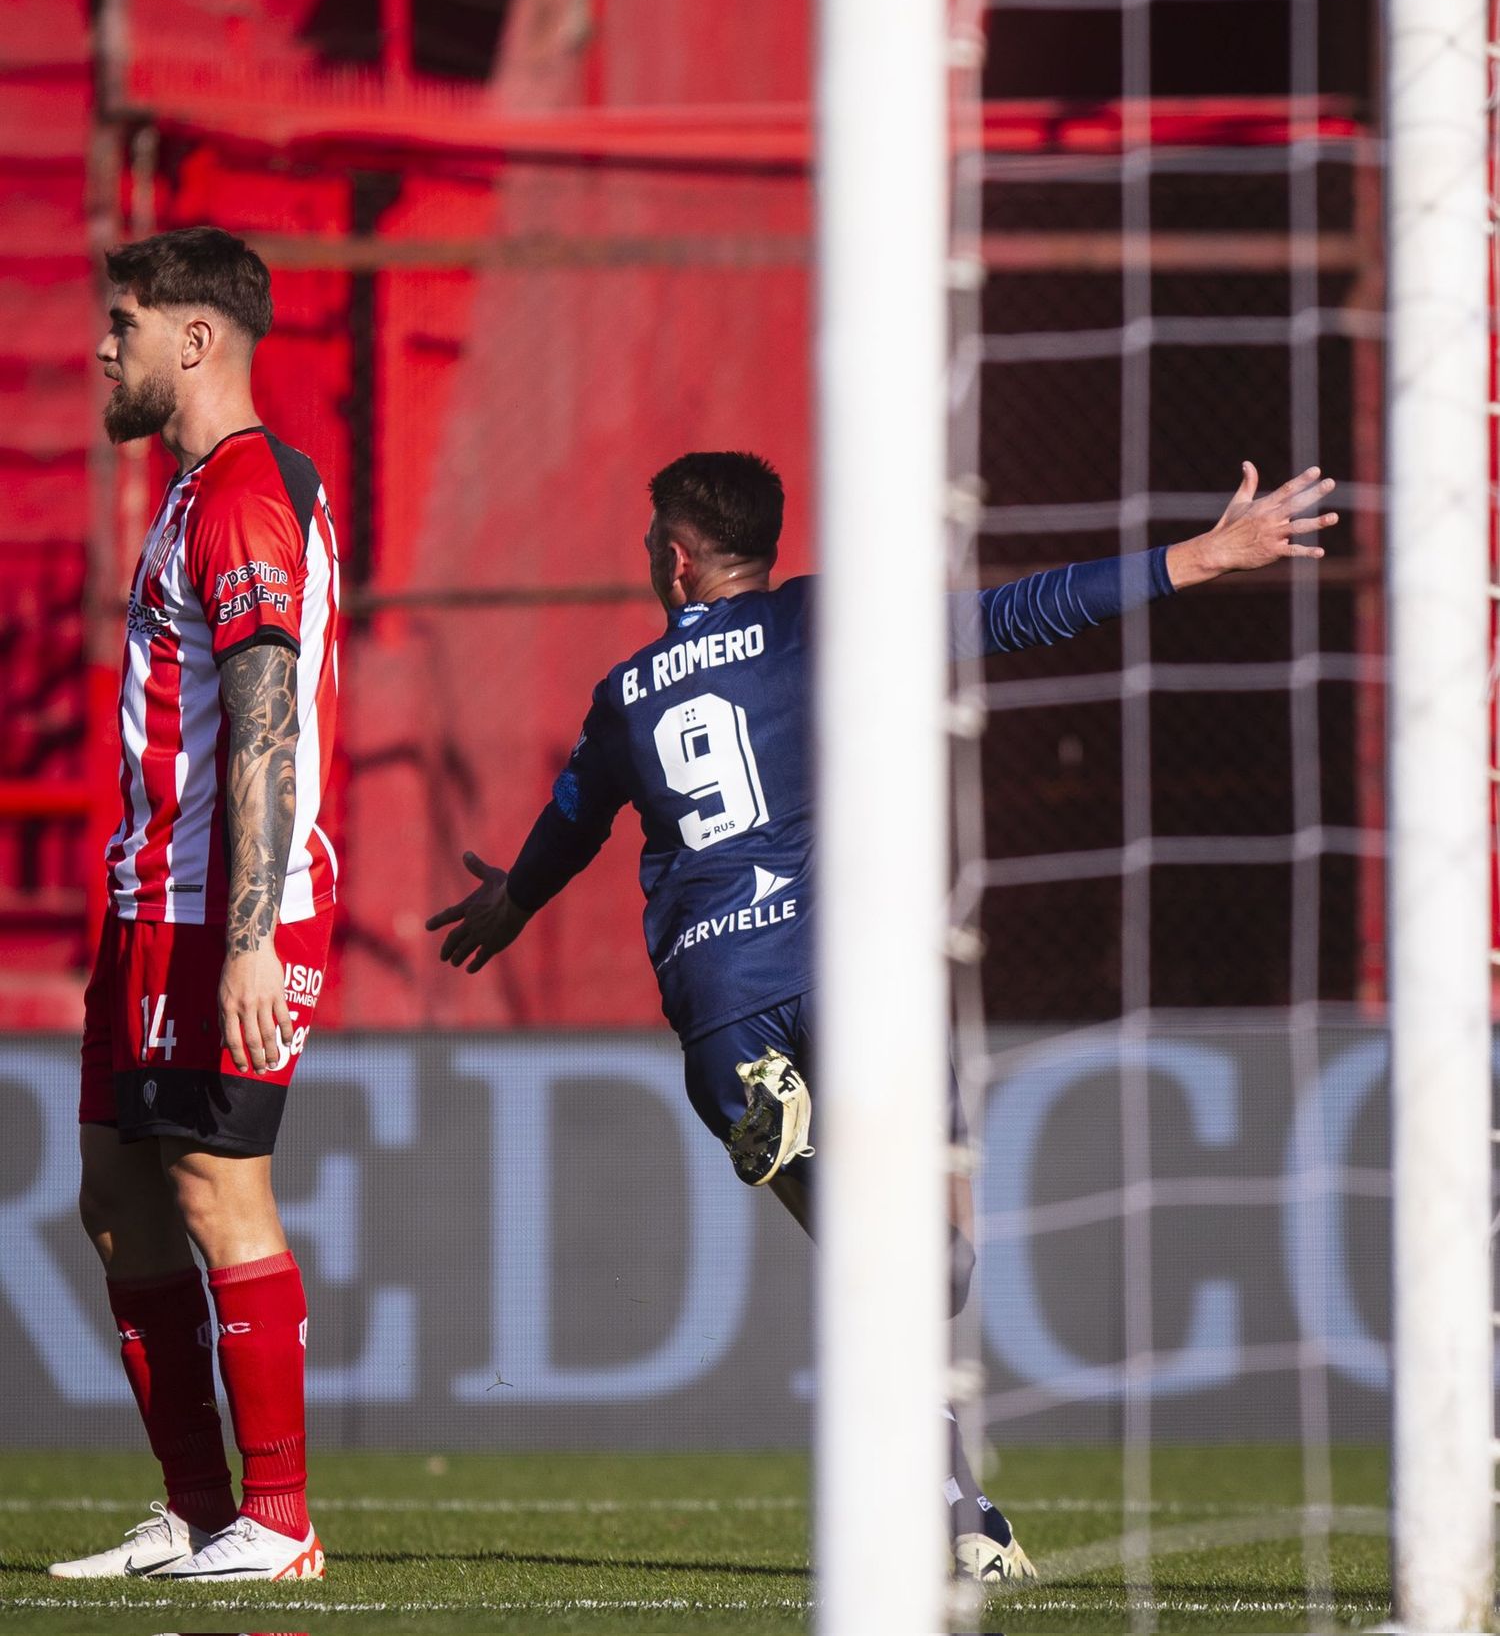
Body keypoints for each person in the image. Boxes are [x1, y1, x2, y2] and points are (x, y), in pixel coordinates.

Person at [426, 448, 1336, 1584]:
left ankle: (962, 1511)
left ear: (673, 557)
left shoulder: (625, 696)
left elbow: (573, 824)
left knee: (872, 1268)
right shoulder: (820, 622)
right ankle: (959, 1505)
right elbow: (1012, 617)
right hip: (856, 965)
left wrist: (511, 899)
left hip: (718, 1001)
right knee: (937, 1267)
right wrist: (1202, 555)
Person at [48, 227, 339, 1585]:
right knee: (116, 1189)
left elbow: (268, 717)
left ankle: (277, 1520)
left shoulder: (243, 493)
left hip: (220, 905)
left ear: (197, 338)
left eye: (125, 326)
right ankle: (194, 1507)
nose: (107, 349)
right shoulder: (192, 492)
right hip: (147, 900)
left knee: (217, 1180)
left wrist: (250, 933)